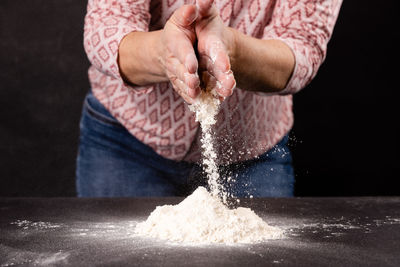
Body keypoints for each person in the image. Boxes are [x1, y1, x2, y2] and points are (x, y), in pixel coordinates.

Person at [77, 0, 342, 197]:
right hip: (127, 142)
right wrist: (165, 53)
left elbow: (302, 48)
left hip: (251, 155)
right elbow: (107, 25)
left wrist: (232, 50)